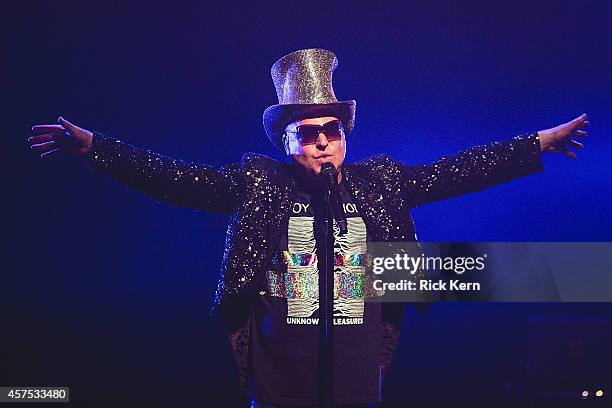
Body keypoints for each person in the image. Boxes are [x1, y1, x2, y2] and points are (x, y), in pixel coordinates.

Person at [28, 48, 589, 407]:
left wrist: (536, 143)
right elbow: (174, 179)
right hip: (281, 378)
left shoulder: (379, 182)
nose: (323, 140)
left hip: (356, 371)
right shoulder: (259, 183)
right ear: (286, 141)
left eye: (332, 130)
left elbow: (456, 172)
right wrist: (97, 149)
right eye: (308, 132)